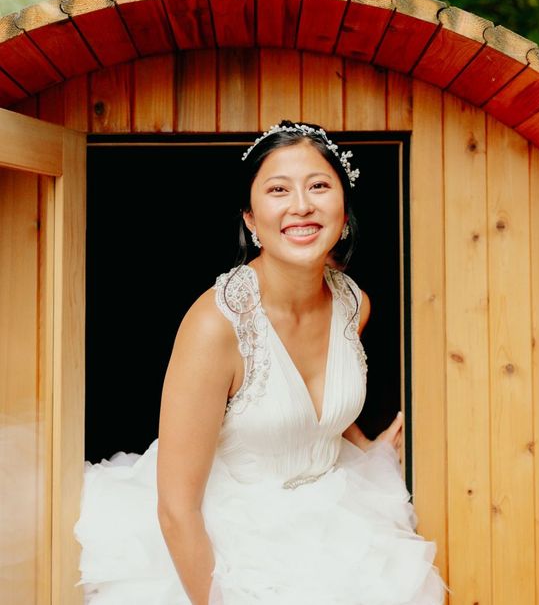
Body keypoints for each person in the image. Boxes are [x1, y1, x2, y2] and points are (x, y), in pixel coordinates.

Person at [74, 120, 448, 604]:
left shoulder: (355, 303)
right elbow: (176, 509)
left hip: (334, 523)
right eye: (278, 190)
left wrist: (368, 447)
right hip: (225, 536)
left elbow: (316, 402)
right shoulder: (216, 324)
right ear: (251, 220)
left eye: (318, 186)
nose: (301, 205)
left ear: (344, 211)